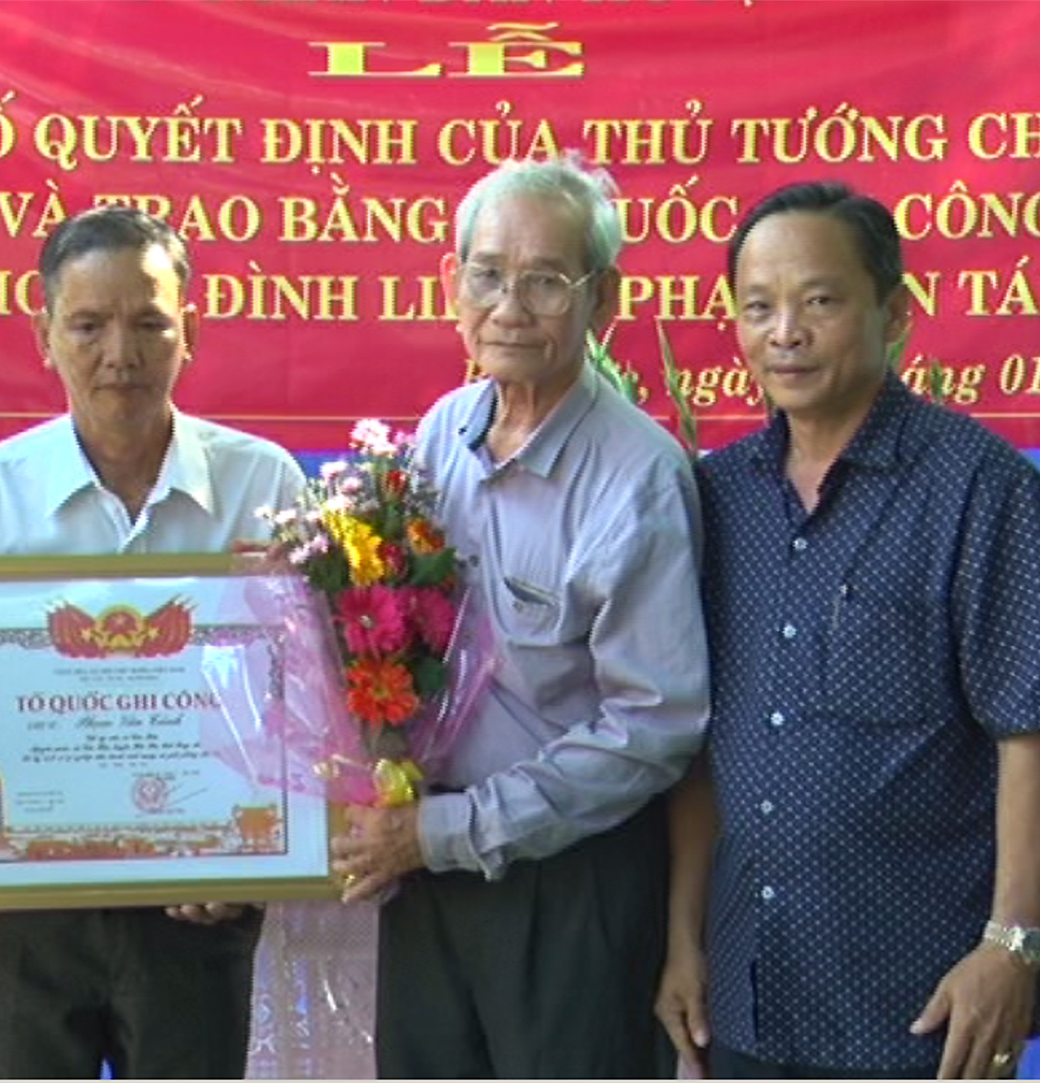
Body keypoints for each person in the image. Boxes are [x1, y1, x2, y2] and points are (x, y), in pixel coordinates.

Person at [0, 205, 307, 1078]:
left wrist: (256, 860)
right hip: (26, 910)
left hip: (196, 898)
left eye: (149, 323)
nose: (120, 352)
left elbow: (299, 699)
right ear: (44, 335)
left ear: (191, 331)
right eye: (88, 325)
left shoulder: (262, 482)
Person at [330, 154, 711, 1078]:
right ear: (451, 285)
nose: (509, 306)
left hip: (569, 885)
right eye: (488, 274)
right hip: (429, 875)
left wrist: (450, 831)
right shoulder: (441, 433)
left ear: (603, 299)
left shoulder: (639, 477)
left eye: (545, 281)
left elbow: (653, 726)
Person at [653, 181, 1040, 1079]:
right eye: (759, 307)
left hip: (922, 1008)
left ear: (893, 313)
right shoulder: (720, 498)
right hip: (748, 996)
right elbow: (697, 744)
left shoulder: (979, 490)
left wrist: (1014, 944)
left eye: (819, 301)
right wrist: (684, 938)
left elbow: (1030, 728)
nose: (785, 332)